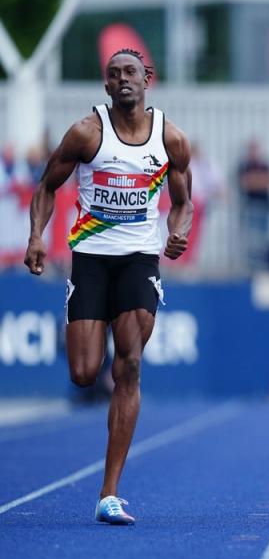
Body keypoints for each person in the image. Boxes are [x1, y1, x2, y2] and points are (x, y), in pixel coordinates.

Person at [23, 48, 193, 525]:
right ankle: (80, 333)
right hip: (92, 259)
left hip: (140, 258)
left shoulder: (171, 140)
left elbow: (184, 200)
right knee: (83, 372)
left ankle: (109, 493)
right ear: (106, 85)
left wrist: (178, 232)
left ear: (148, 79)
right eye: (113, 74)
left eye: (130, 73)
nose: (122, 80)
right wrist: (36, 236)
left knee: (130, 365)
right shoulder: (86, 133)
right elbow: (45, 187)